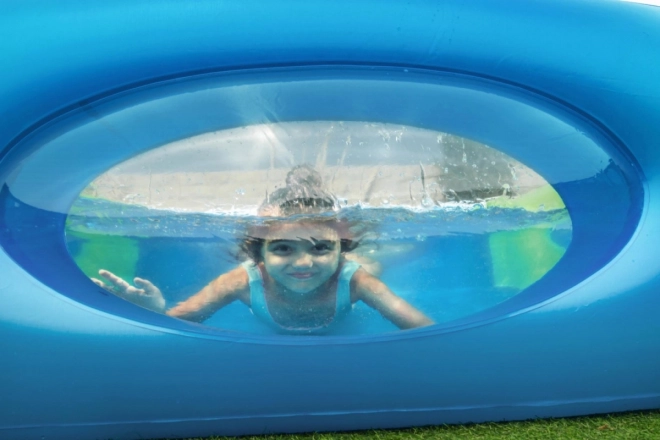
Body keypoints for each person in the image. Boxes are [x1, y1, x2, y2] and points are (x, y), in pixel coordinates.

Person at [93, 165, 434, 334]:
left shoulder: (356, 281)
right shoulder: (239, 281)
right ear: (259, 255)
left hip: (349, 269)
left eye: (321, 247)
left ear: (340, 249)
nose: (304, 262)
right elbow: (176, 324)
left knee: (373, 265)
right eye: (283, 248)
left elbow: (423, 329)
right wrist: (152, 312)